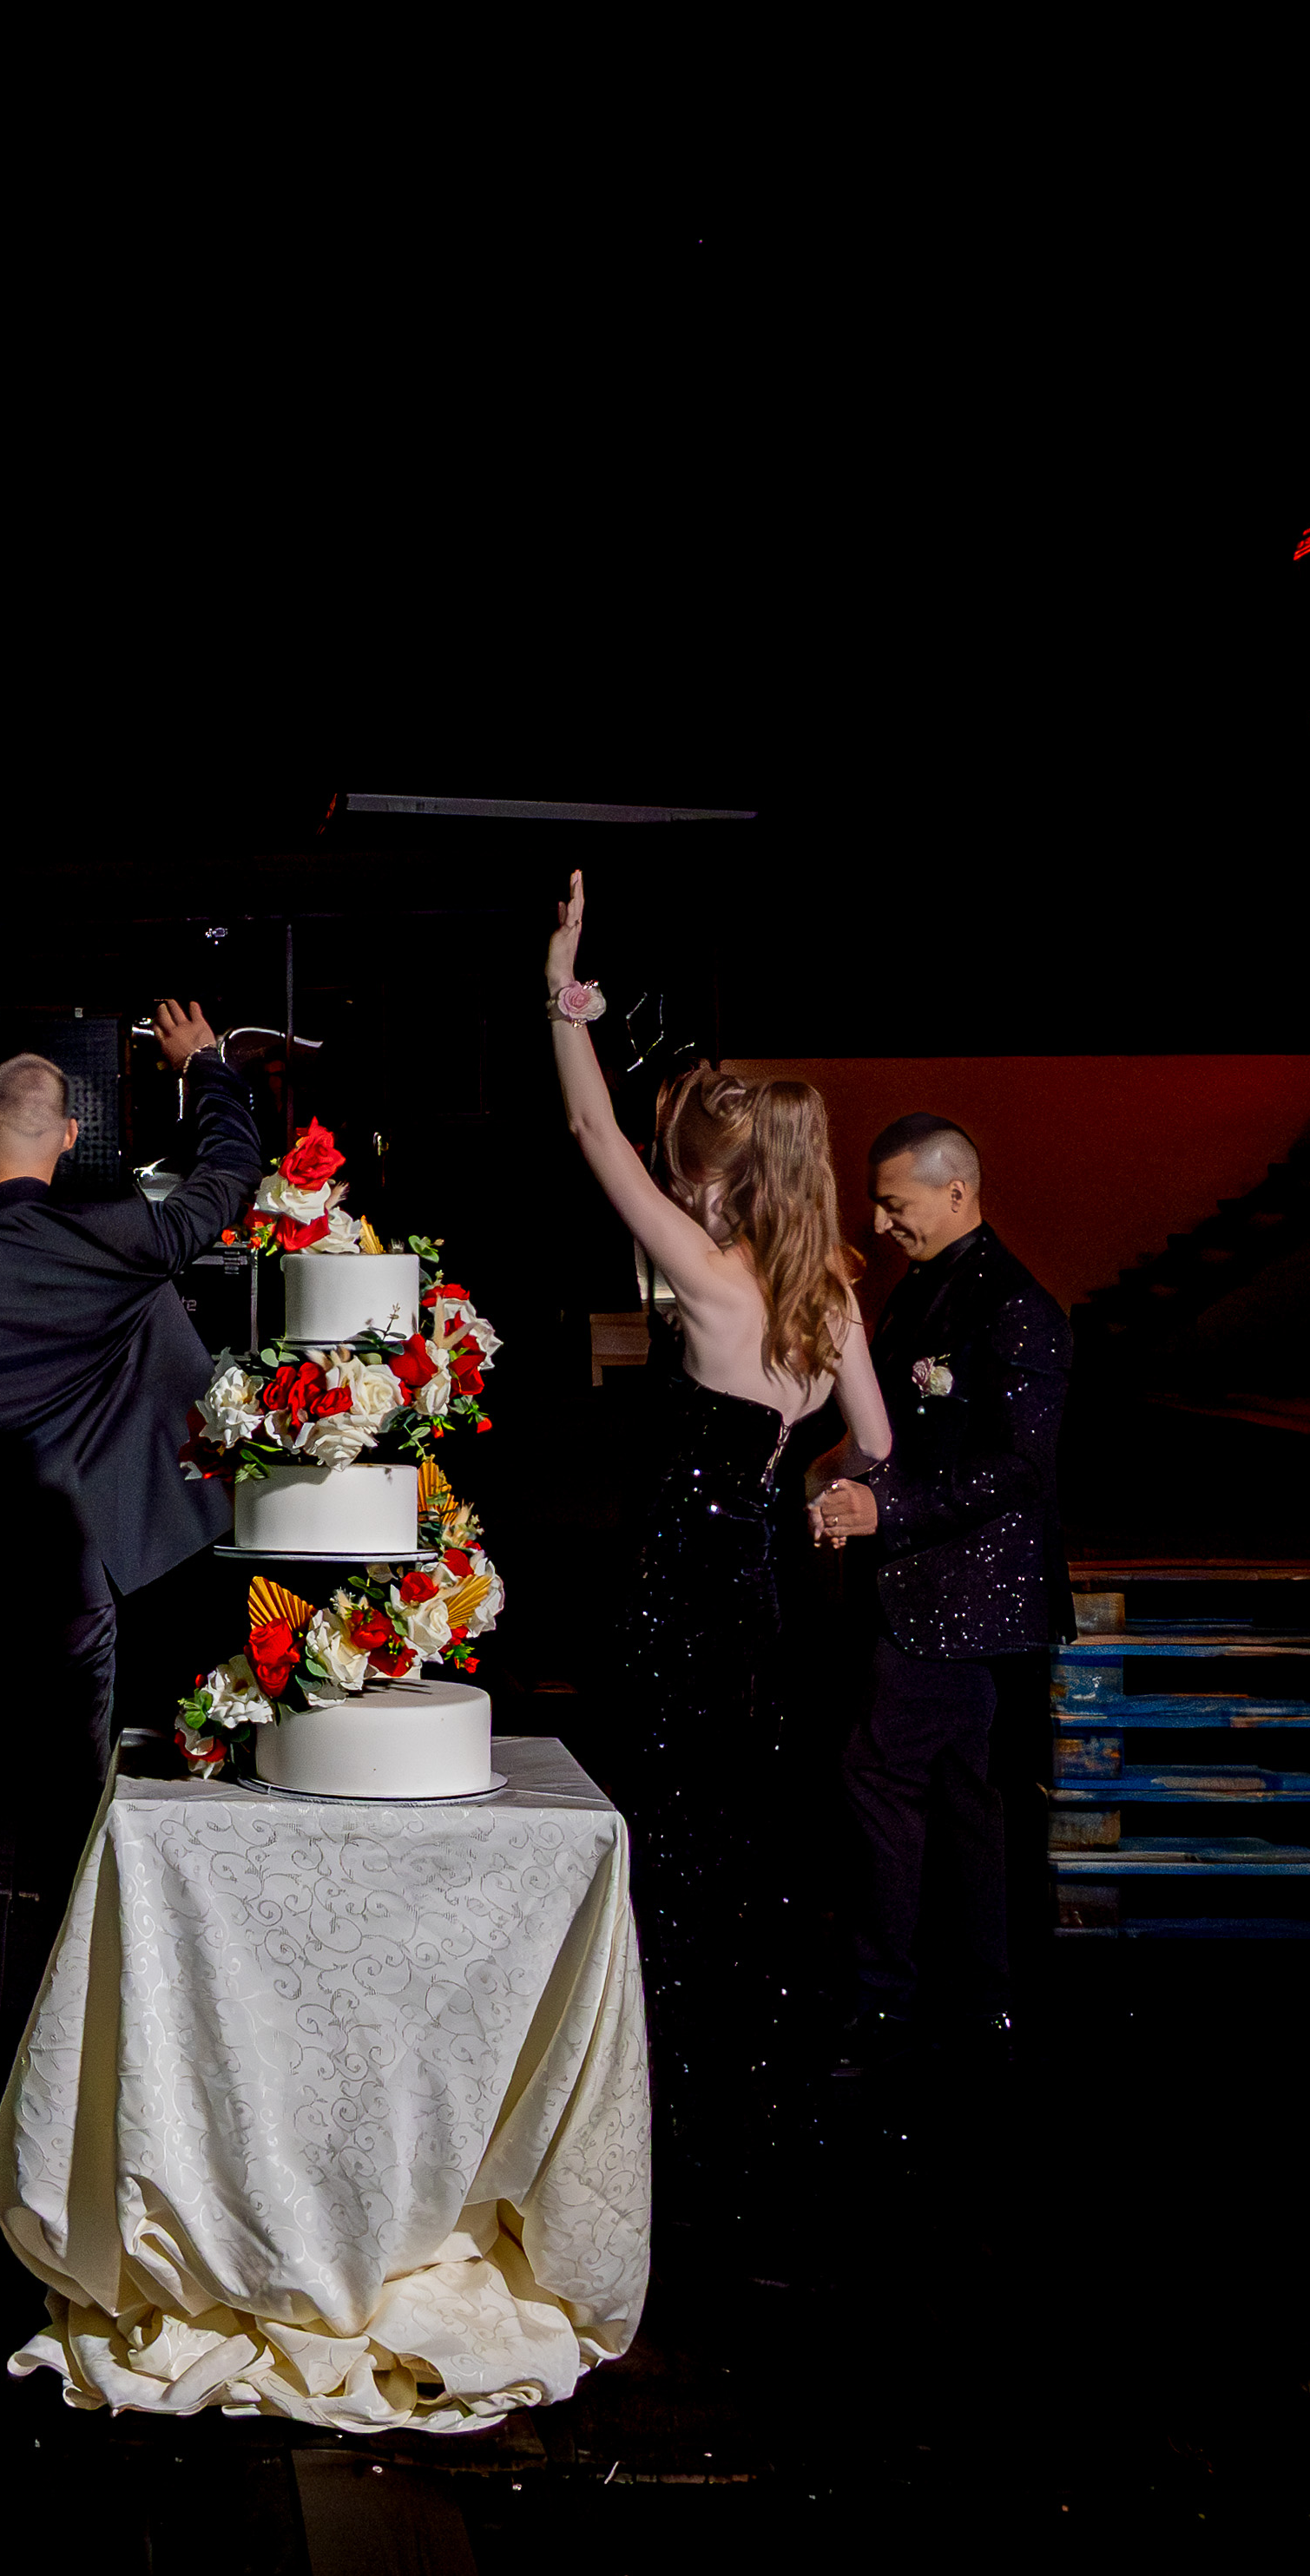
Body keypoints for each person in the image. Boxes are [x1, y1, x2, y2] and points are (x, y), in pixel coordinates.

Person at [538, 872, 890, 2230]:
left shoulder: (706, 1271)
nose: (677, 1177)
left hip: (680, 1579)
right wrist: (812, 1488)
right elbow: (874, 1444)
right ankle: (745, 2075)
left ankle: (659, 2087)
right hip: (767, 1580)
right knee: (745, 1823)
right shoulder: (831, 1294)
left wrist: (564, 991)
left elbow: (590, 1127)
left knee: (667, 1825)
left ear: (724, 1178)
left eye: (690, 1164)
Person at [0, 1001, 261, 2025]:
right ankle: (68, 2041)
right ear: (67, 1137)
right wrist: (205, 1067)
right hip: (69, 1590)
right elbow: (228, 1173)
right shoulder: (117, 1242)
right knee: (69, 1832)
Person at [806, 1110, 1068, 2074]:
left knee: (881, 1783)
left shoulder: (1016, 1307)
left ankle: (883, 2002)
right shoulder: (922, 1290)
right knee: (960, 1803)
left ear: (955, 1192)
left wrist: (888, 1508)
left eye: (892, 1204)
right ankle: (978, 1999)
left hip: (965, 1605)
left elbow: (1019, 1468)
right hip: (921, 1596)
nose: (879, 1223)